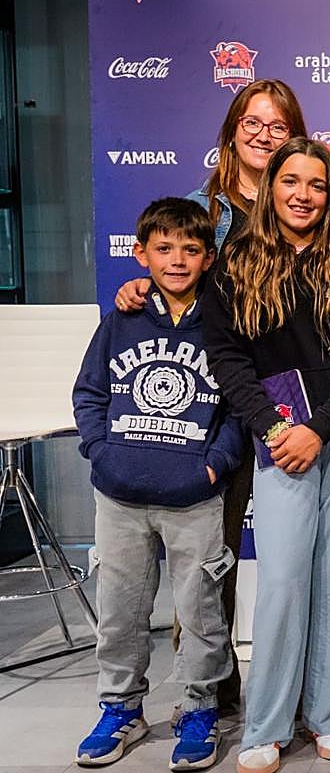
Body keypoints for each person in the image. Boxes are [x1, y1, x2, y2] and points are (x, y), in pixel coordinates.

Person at [110, 79, 330, 715]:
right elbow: (174, 265)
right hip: (209, 401)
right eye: (251, 122)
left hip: (296, 404)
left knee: (310, 556)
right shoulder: (206, 209)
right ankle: (210, 687)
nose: (263, 134)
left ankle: (319, 689)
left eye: (277, 125)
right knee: (210, 549)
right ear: (231, 131)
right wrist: (137, 288)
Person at [202, 138, 330, 772]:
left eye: (316, 184)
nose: (303, 194)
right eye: (291, 181)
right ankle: (267, 722)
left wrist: (321, 428)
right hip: (278, 435)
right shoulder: (235, 263)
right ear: (271, 187)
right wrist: (274, 428)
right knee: (281, 579)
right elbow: (227, 357)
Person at [72, 198, 241, 770]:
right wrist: (101, 453)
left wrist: (214, 464)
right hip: (119, 496)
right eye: (163, 249)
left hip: (194, 495)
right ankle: (121, 707)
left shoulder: (226, 320)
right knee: (120, 610)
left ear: (209, 257)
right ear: (141, 253)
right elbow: (89, 393)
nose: (176, 260)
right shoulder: (123, 317)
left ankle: (199, 706)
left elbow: (242, 406)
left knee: (200, 610)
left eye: (190, 250)